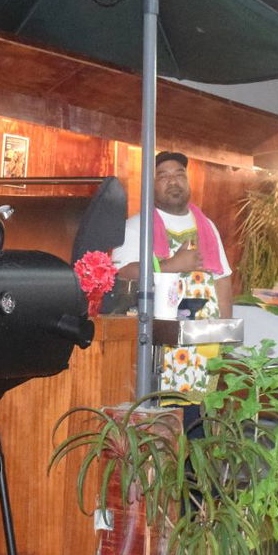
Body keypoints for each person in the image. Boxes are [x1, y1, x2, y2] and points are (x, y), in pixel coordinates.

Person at [110, 151, 233, 393]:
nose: (173, 181)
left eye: (179, 174)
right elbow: (122, 273)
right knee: (166, 418)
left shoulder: (207, 226)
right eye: (163, 176)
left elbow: (222, 279)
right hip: (160, 349)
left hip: (204, 346)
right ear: (150, 185)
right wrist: (171, 266)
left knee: (201, 424)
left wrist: (225, 339)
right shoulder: (137, 226)